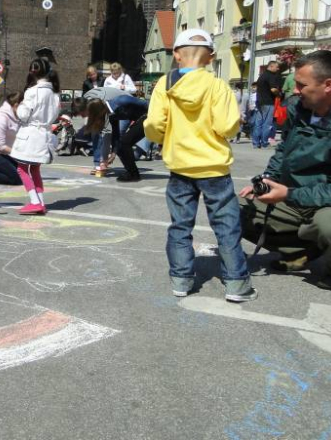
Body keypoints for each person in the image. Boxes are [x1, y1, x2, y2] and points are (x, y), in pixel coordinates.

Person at [239, 51, 331, 290]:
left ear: (328, 85)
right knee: (233, 208)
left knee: (330, 227)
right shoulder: (299, 108)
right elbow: (284, 151)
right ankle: (302, 252)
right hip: (295, 197)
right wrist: (267, 181)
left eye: (302, 85)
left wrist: (289, 195)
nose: (294, 90)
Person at [144, 29, 257, 302]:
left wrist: (163, 138)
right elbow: (225, 126)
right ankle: (236, 284)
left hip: (180, 166)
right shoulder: (217, 86)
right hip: (214, 167)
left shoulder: (165, 84)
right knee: (226, 226)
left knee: (180, 225)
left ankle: (181, 279)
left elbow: (154, 125)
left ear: (176, 55)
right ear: (211, 58)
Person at [10, 58, 61, 215]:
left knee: (22, 169)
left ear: (32, 72)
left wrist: (19, 107)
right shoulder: (55, 94)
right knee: (35, 170)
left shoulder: (32, 92)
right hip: (45, 134)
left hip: (31, 134)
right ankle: (40, 202)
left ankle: (34, 201)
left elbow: (24, 116)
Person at [82, 86, 149, 182]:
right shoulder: (110, 115)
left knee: (125, 143)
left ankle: (133, 174)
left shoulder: (121, 100)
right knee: (122, 144)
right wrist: (113, 153)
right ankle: (132, 173)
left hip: (148, 117)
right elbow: (115, 134)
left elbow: (146, 104)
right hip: (140, 120)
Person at [252, 60, 282, 148]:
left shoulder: (262, 75)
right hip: (268, 102)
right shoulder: (271, 76)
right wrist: (279, 93)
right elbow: (273, 89)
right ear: (271, 66)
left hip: (260, 102)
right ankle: (264, 142)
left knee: (258, 123)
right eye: (276, 67)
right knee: (267, 123)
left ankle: (256, 142)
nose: (278, 69)